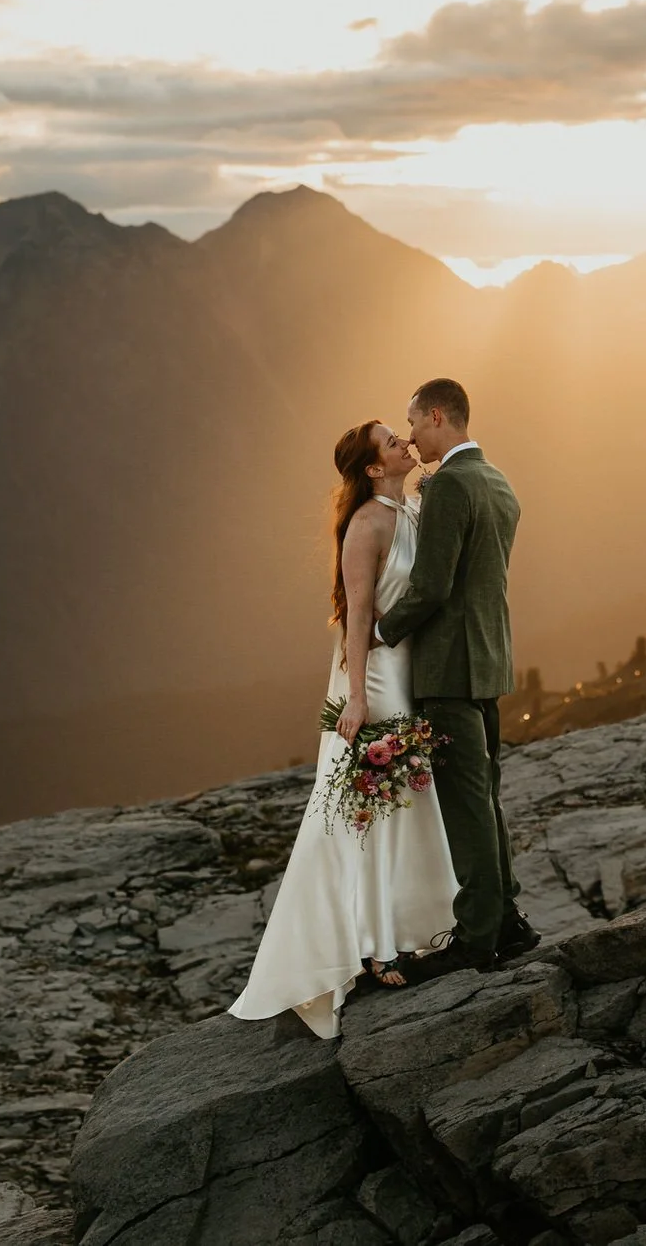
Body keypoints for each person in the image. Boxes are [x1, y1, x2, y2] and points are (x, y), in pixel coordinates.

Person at [227, 420, 459, 1037]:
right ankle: (376, 943)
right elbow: (357, 617)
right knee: (373, 806)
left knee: (410, 798)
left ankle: (417, 925)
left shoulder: (409, 505)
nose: (403, 444)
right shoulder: (366, 525)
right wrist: (355, 698)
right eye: (391, 441)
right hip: (377, 675)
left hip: (410, 671)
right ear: (372, 468)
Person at [374, 377, 538, 981]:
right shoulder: (498, 482)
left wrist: (381, 633)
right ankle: (508, 921)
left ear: (437, 416)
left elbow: (434, 586)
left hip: (448, 668)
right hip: (490, 663)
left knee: (467, 807)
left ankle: (476, 939)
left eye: (413, 423)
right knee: (485, 798)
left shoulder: (448, 487)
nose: (410, 435)